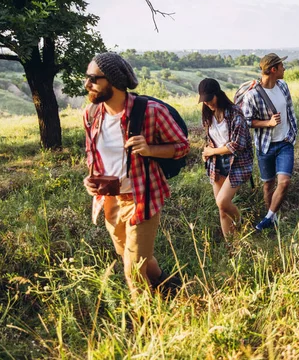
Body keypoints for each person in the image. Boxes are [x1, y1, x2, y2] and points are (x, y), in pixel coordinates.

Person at [82, 52, 189, 299]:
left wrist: (150, 149)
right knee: (131, 255)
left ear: (113, 81)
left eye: (93, 79)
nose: (87, 84)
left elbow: (182, 146)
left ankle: (147, 324)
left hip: (142, 197)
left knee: (133, 269)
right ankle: (171, 289)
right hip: (109, 199)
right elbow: (93, 154)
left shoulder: (151, 111)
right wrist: (91, 179)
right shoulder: (90, 114)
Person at [240, 53, 298, 232]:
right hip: (265, 146)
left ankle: (267, 217)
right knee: (268, 185)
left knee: (285, 182)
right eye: (282, 66)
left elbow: (289, 110)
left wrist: (292, 133)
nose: (284, 69)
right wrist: (268, 123)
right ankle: (272, 218)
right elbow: (247, 121)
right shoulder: (253, 96)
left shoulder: (283, 86)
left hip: (285, 142)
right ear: (274, 70)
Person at [199, 78, 253, 242]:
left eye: (210, 99)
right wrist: (206, 151)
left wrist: (212, 151)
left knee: (222, 202)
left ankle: (243, 225)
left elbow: (238, 145)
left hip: (236, 163)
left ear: (218, 94)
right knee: (222, 210)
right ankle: (233, 246)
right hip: (217, 163)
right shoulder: (208, 114)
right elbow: (212, 139)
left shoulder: (235, 112)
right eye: (205, 100)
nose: (208, 103)